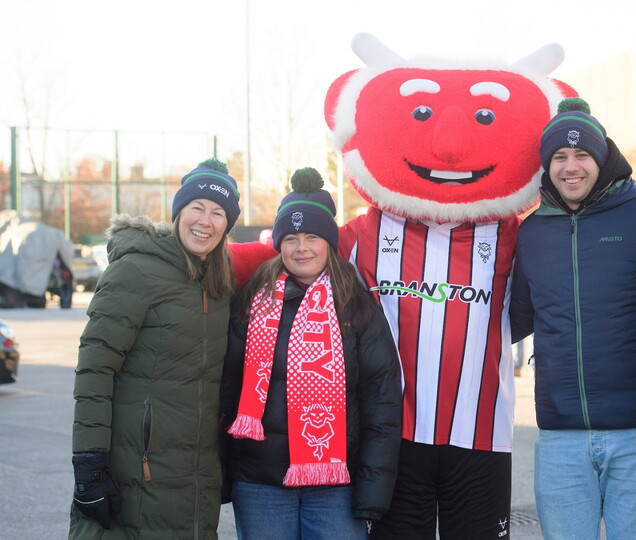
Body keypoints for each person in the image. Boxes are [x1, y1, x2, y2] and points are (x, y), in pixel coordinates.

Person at [510, 97, 636, 539]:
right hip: (560, 432)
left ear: (602, 159)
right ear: (547, 165)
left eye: (582, 154)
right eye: (559, 157)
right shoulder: (532, 233)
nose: (571, 167)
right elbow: (513, 318)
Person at [222, 167, 402, 539]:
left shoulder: (357, 305)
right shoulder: (254, 299)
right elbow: (226, 387)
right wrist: (222, 469)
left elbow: (381, 402)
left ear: (329, 242)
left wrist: (373, 489)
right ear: (278, 244)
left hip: (337, 482)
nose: (301, 248)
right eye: (290, 238)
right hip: (260, 482)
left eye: (311, 237)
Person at [70, 158, 240, 537]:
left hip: (195, 474)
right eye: (197, 207)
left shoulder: (221, 283)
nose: (205, 220)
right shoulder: (135, 271)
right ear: (178, 212)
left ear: (228, 224)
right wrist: (89, 464)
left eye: (218, 212)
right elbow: (94, 370)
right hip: (136, 466)